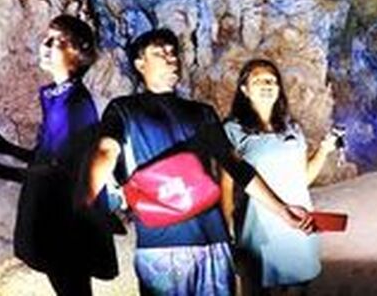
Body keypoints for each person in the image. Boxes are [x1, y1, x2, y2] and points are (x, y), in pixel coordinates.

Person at [85, 29, 312, 296]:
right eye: (159, 53)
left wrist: (282, 210)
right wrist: (83, 207)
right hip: (164, 248)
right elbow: (106, 152)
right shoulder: (124, 109)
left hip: (210, 243)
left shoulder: (202, 112)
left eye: (173, 53)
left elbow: (237, 167)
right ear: (139, 63)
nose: (170, 58)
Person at [0, 14, 117, 296]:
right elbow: (49, 156)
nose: (45, 46)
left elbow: (60, 172)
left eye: (58, 41)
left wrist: (0, 170)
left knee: (72, 289)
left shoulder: (74, 104)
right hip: (56, 215)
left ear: (78, 54)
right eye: (47, 38)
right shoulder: (60, 96)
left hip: (67, 223)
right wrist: (7, 149)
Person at [221, 59, 339, 295]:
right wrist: (228, 229)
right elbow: (226, 184)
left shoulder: (292, 128)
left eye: (272, 81)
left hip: (299, 223)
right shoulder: (233, 130)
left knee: (298, 289)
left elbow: (302, 179)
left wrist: (324, 150)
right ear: (244, 90)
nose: (267, 85)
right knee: (259, 288)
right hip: (258, 228)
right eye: (258, 81)